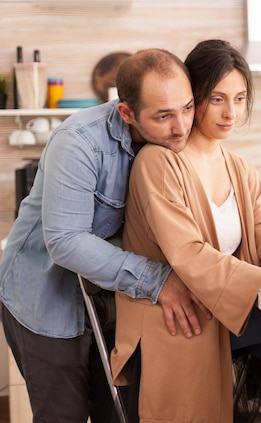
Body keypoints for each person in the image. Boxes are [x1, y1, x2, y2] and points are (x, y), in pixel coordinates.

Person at [111, 39, 261, 422]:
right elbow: (189, 254)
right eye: (217, 99)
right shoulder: (157, 163)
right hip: (181, 317)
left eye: (241, 98)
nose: (232, 112)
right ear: (193, 97)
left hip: (225, 310)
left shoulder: (241, 169)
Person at [0, 48, 212, 423]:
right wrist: (160, 281)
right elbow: (66, 241)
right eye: (163, 116)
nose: (181, 127)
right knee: (63, 415)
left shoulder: (171, 139)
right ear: (126, 112)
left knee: (116, 412)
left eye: (187, 108)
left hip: (104, 296)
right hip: (41, 294)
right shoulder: (79, 142)